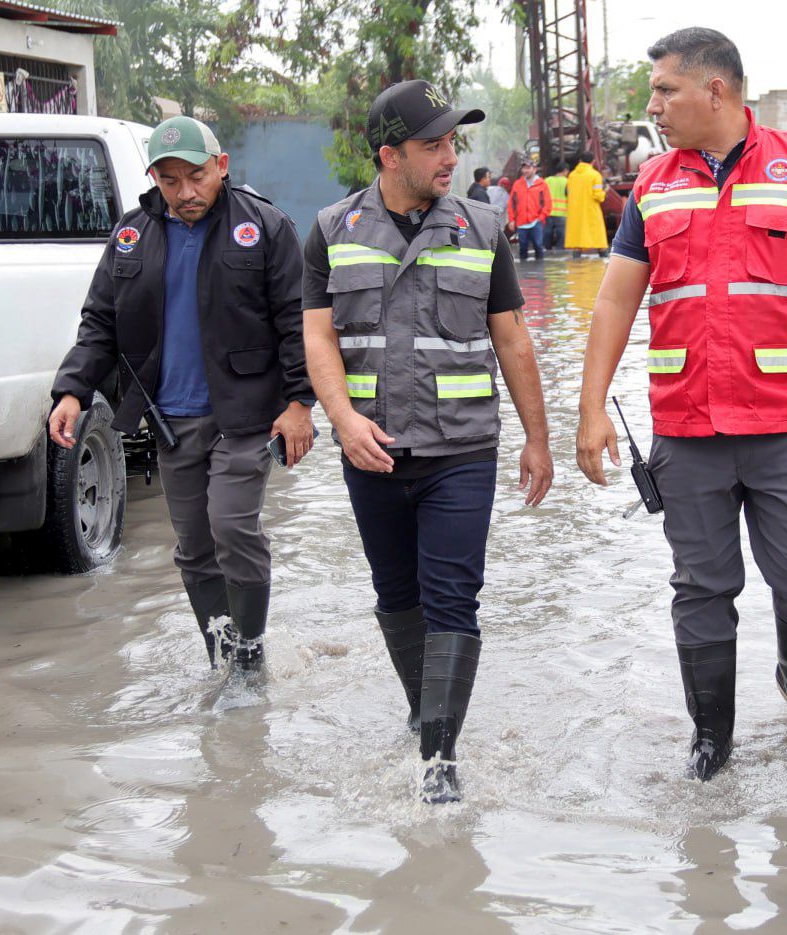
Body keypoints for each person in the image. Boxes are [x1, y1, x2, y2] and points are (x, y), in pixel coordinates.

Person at [575, 28, 787, 780]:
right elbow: (615, 303)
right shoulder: (654, 184)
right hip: (687, 427)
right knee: (701, 585)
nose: (654, 105)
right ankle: (711, 737)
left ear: (714, 91)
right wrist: (591, 406)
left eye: (665, 90)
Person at [301, 79, 554, 804]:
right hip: (370, 448)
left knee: (453, 596)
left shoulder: (483, 228)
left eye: (453, 142)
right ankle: (424, 712)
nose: (450, 156)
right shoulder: (331, 230)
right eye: (433, 144)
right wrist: (343, 421)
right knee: (395, 593)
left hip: (461, 450)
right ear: (388, 154)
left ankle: (439, 760)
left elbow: (513, 340)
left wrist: (538, 440)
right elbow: (317, 336)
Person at [48, 115, 315, 677]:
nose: (185, 192)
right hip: (172, 419)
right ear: (154, 178)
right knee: (194, 548)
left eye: (195, 176)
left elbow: (299, 322)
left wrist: (300, 405)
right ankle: (225, 663)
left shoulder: (264, 226)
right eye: (170, 180)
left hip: (247, 416)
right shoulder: (131, 236)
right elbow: (100, 323)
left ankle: (250, 655)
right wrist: (72, 391)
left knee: (233, 526)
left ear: (221, 166)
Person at [506, 158, 551, 261]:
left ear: (534, 169)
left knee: (538, 246)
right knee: (523, 248)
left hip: (536, 222)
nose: (525, 170)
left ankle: (540, 274)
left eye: (528, 168)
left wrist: (541, 218)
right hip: (521, 223)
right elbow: (511, 204)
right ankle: (523, 275)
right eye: (524, 168)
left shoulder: (542, 184)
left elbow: (547, 203)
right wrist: (511, 220)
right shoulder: (518, 184)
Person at [565, 151, 608, 257]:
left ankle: (576, 258)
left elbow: (568, 192)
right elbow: (598, 195)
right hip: (591, 211)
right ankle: (603, 256)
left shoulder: (572, 175)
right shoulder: (595, 175)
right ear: (593, 162)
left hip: (576, 212)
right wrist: (604, 192)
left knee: (578, 240)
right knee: (599, 239)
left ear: (580, 161)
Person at [543, 161, 569, 251]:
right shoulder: (567, 181)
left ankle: (547, 250)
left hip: (548, 212)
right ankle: (559, 252)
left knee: (547, 233)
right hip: (562, 213)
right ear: (565, 171)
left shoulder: (547, 180)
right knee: (561, 235)